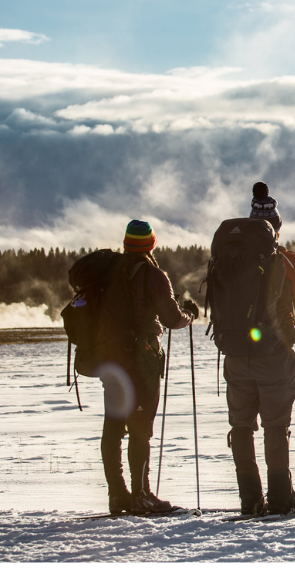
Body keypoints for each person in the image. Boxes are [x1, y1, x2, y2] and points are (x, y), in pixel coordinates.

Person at [218, 185, 295, 516]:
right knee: (275, 426)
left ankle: (249, 499)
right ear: (277, 226)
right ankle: (280, 497)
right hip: (275, 355)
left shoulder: (229, 257)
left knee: (241, 425)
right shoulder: (288, 261)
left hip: (235, 353)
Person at [91, 218, 200, 516]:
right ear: (151, 244)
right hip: (140, 361)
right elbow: (171, 318)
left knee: (113, 426)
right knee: (140, 428)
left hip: (110, 360)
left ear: (126, 243)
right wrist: (189, 314)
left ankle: (118, 495)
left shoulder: (109, 271)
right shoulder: (153, 275)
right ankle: (141, 495)